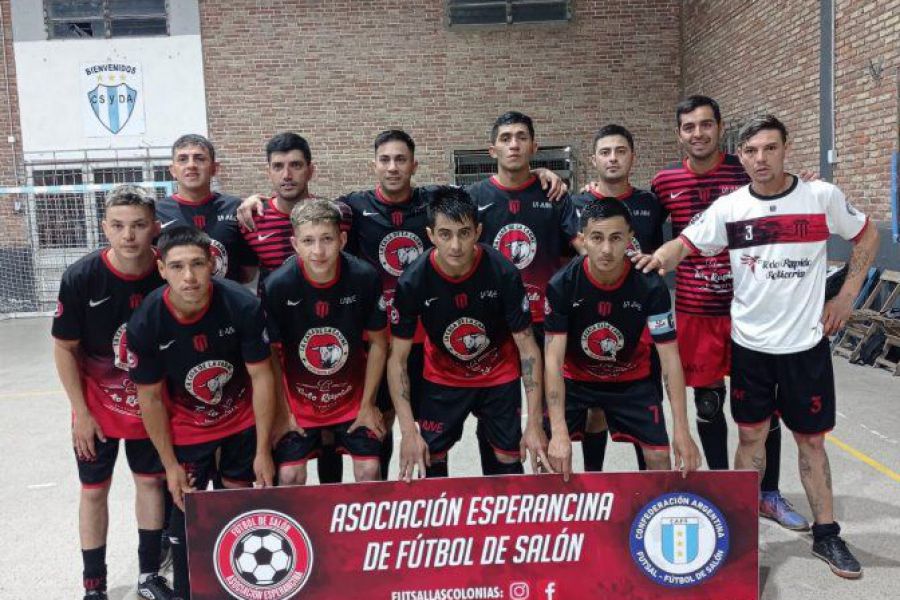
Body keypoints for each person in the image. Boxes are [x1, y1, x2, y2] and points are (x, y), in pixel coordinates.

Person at [237, 128, 566, 480]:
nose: (393, 167)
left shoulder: (436, 203)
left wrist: (536, 175)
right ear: (374, 165)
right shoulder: (354, 209)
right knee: (385, 427)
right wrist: (253, 199)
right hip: (383, 336)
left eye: (401, 160)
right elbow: (315, 216)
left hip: (440, 342)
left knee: (496, 443)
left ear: (414, 165)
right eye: (385, 160)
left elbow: (487, 193)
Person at [638, 114, 878, 579]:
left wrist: (847, 296)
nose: (760, 159)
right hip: (750, 347)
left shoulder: (820, 197)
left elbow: (866, 235)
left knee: (811, 441)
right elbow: (682, 246)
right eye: (751, 151)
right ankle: (743, 532)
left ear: (785, 149)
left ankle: (827, 534)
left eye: (770, 148)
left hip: (805, 347)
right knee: (750, 439)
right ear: (741, 156)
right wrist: (653, 261)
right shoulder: (730, 207)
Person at [651, 96, 802, 529]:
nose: (697, 133)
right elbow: (637, 222)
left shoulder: (745, 169)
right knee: (709, 404)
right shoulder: (665, 182)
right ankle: (722, 487)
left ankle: (766, 493)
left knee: (764, 408)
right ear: (678, 133)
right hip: (698, 311)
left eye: (705, 125)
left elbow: (786, 199)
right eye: (688, 127)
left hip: (751, 308)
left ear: (719, 128)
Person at [128, 226, 277, 599]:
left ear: (212, 263)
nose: (189, 277)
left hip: (240, 418)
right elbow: (151, 399)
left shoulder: (241, 305)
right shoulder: (146, 321)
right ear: (161, 269)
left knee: (237, 506)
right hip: (187, 427)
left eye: (197, 264)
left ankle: (240, 587)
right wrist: (169, 464)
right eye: (177, 266)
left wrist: (262, 449)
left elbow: (262, 377)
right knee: (186, 511)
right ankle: (186, 591)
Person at [53, 185, 174, 600]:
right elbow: (65, 348)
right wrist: (80, 413)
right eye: (119, 226)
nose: (129, 236)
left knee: (150, 485)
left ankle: (148, 576)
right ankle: (94, 586)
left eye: (139, 225)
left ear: (155, 227)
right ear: (104, 227)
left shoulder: (168, 271)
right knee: (93, 491)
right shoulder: (81, 277)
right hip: (96, 408)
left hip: (150, 406)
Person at [387, 186, 546, 480]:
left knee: (506, 457)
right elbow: (397, 359)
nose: (456, 245)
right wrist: (408, 431)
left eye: (464, 232)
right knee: (429, 459)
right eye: (445, 234)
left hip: (498, 372)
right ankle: (437, 526)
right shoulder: (413, 281)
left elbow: (528, 348)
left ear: (478, 231)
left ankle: (503, 524)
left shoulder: (502, 272)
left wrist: (534, 422)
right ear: (431, 235)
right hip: (443, 377)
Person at [544, 198, 701, 480]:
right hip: (576, 379)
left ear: (631, 238)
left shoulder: (650, 284)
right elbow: (553, 360)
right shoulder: (562, 285)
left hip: (632, 380)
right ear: (583, 239)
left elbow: (670, 358)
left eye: (616, 238)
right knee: (547, 456)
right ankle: (576, 510)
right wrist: (557, 432)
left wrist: (682, 430)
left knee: (659, 456)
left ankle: (652, 520)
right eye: (597, 238)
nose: (606, 249)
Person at [467, 111, 581, 474]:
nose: (513, 144)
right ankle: (498, 491)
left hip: (547, 324)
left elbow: (583, 245)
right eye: (505, 138)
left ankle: (545, 495)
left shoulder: (555, 194)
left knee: (547, 416)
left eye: (521, 137)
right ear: (492, 149)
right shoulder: (474, 197)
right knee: (496, 417)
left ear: (534, 145)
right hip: (495, 325)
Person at [264, 200, 388, 484]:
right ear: (295, 244)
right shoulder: (278, 285)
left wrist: (368, 404)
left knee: (369, 471)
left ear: (342, 240)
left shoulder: (364, 278)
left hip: (352, 399)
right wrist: (283, 413)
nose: (318, 251)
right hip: (299, 403)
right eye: (308, 241)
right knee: (289, 475)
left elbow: (380, 344)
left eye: (327, 239)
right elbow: (271, 353)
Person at [572, 123, 666, 472]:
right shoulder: (576, 203)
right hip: (591, 321)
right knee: (594, 410)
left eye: (620, 151)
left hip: (639, 324)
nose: (613, 159)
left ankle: (646, 482)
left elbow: (657, 253)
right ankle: (594, 477)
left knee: (647, 405)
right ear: (594, 159)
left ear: (632, 157)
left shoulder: (649, 203)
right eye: (605, 152)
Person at [156, 134, 257, 282]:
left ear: (214, 168)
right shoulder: (156, 212)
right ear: (172, 170)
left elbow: (248, 272)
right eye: (183, 159)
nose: (191, 165)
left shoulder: (235, 208)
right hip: (177, 303)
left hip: (226, 302)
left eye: (200, 158)